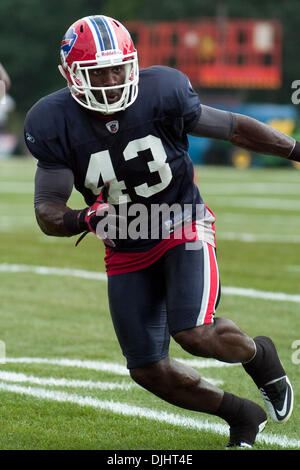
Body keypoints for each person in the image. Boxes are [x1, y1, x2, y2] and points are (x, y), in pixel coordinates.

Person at [24, 15, 296, 449]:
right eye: (98, 72)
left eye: (119, 67)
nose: (112, 81)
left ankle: (259, 355)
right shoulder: (51, 120)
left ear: (133, 62)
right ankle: (241, 415)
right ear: (71, 75)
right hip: (126, 244)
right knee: (148, 369)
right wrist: (85, 218)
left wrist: (296, 150)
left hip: (181, 221)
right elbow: (47, 210)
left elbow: (233, 127)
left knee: (194, 333)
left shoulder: (163, 90)